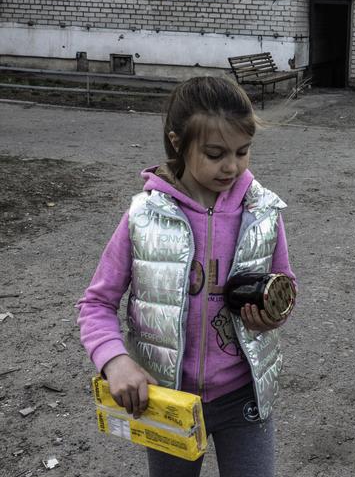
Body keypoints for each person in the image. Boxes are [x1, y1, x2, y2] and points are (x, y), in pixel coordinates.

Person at [77, 76, 296, 477]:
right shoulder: (143, 218)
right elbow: (96, 304)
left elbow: (284, 284)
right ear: (178, 143)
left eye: (242, 152)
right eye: (215, 154)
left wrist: (273, 313)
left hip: (244, 397)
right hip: (166, 400)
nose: (232, 166)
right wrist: (115, 361)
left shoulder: (263, 212)